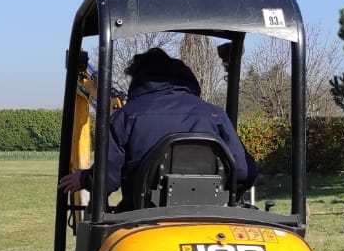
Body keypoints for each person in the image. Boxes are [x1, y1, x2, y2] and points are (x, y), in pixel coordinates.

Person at [58, 46, 256, 200]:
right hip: (211, 217)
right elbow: (244, 172)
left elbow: (107, 180)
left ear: (138, 77)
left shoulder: (125, 117)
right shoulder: (215, 115)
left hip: (141, 219)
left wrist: (84, 178)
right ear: (184, 76)